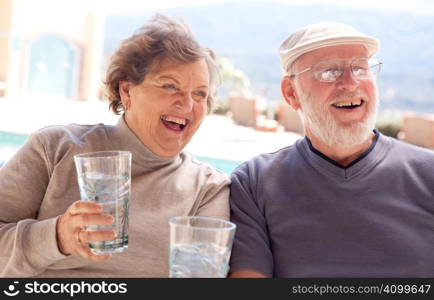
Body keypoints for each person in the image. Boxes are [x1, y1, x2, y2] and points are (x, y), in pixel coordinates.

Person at [0, 14, 230, 277]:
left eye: (199, 93)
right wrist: (57, 237)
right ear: (127, 91)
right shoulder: (54, 148)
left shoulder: (208, 188)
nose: (187, 104)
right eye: (170, 86)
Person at [229, 22, 434, 278]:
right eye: (329, 72)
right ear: (291, 93)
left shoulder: (428, 174)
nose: (350, 83)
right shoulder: (254, 183)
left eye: (360, 68)